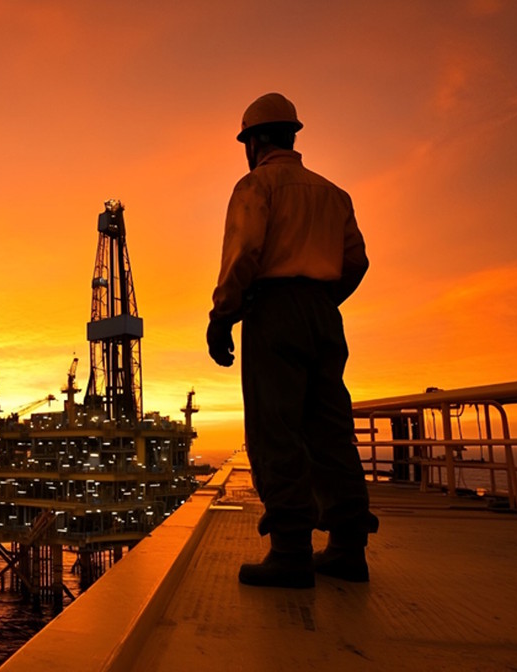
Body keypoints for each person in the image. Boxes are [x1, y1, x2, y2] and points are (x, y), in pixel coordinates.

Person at [206, 92, 379, 588]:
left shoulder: (256, 184)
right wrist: (323, 303)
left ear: (253, 141)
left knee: (275, 428)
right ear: (292, 135)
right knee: (329, 429)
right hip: (325, 312)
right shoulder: (333, 193)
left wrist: (224, 317)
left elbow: (245, 253)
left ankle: (290, 550)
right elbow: (356, 262)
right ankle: (348, 547)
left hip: (274, 308)